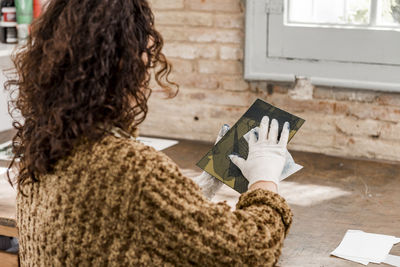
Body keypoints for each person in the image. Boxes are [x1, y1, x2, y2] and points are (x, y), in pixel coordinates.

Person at [6, 0, 293, 266]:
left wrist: (204, 186)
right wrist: (264, 177)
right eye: (144, 49)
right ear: (122, 64)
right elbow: (251, 250)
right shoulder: (132, 169)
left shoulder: (40, 147)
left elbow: (120, 220)